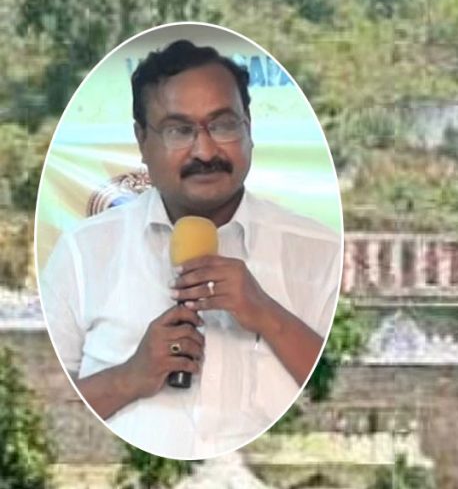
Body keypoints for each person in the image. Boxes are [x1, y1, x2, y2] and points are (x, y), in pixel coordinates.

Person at [40, 39, 341, 459]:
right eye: (179, 130)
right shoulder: (81, 255)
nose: (205, 151)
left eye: (223, 125)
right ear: (142, 142)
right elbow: (45, 416)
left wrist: (266, 314)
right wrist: (130, 376)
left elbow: (342, 388)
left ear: (250, 129)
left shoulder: (320, 252)